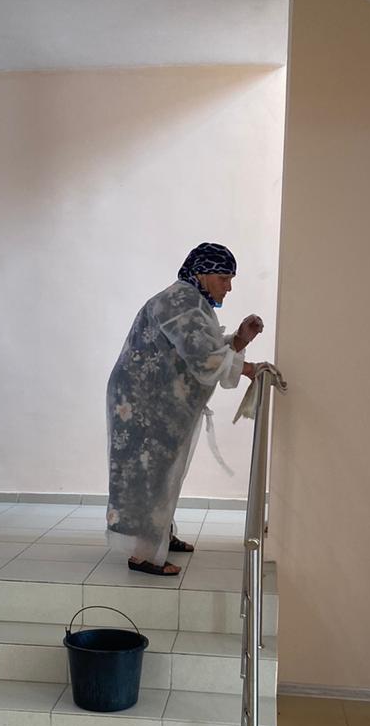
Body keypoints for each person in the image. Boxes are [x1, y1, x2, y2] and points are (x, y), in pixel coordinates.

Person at [105, 242, 266, 576]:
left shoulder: (194, 301)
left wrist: (240, 339)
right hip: (142, 400)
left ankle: (159, 534)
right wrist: (249, 368)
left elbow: (204, 349)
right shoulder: (180, 301)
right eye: (224, 278)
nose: (229, 287)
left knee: (162, 470)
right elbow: (203, 357)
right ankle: (142, 554)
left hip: (155, 398)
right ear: (202, 273)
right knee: (148, 473)